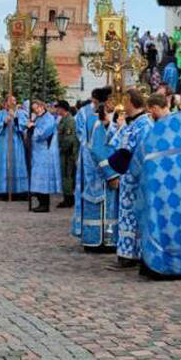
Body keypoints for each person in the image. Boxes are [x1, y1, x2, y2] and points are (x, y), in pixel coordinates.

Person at [108, 93, 181, 279]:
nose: (150, 114)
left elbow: (139, 160)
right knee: (180, 226)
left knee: (159, 226)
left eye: (151, 111)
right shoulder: (180, 126)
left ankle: (160, 265)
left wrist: (115, 166)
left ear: (155, 108)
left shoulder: (157, 131)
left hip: (159, 190)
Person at [71, 87, 118, 252]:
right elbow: (100, 148)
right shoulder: (96, 121)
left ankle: (101, 239)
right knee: (100, 202)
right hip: (100, 169)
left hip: (97, 167)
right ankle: (99, 240)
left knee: (102, 202)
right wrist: (111, 174)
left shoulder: (102, 119)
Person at [111, 88, 151, 269]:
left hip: (137, 180)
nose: (122, 106)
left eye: (124, 102)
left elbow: (142, 153)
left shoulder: (144, 125)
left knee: (135, 217)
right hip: (127, 179)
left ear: (131, 102)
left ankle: (134, 255)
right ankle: (127, 254)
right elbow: (116, 143)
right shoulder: (132, 123)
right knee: (127, 217)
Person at [0, 95, 28, 200]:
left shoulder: (20, 113)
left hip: (16, 142)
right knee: (4, 164)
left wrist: (15, 118)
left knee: (17, 163)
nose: (13, 102)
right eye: (10, 101)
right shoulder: (0, 114)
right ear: (5, 103)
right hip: (4, 142)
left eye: (14, 100)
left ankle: (19, 191)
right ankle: (4, 190)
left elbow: (24, 126)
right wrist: (4, 122)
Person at [27, 101, 60, 211]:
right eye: (34, 109)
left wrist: (33, 128)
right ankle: (40, 202)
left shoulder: (49, 118)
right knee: (37, 177)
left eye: (36, 108)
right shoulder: (38, 118)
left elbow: (43, 133)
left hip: (44, 152)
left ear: (41, 107)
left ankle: (44, 204)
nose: (35, 111)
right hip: (37, 152)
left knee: (43, 178)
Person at [55, 101, 78, 209]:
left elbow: (69, 139)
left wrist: (61, 148)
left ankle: (69, 199)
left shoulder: (69, 120)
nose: (57, 110)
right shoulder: (63, 119)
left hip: (68, 153)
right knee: (65, 176)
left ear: (63, 109)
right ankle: (67, 197)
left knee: (67, 176)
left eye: (58, 108)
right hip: (65, 152)